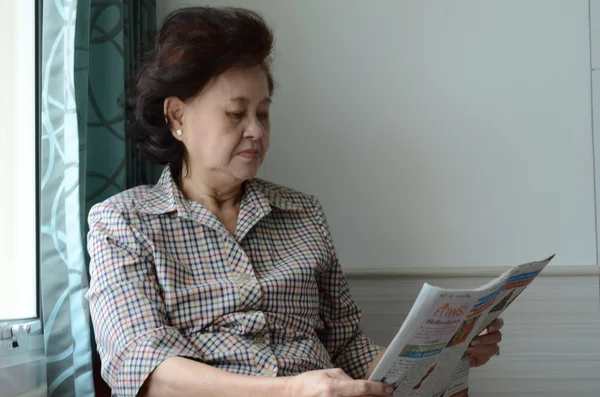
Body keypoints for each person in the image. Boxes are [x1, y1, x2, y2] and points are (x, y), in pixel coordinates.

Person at [86, 6, 503, 397]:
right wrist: (290, 391)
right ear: (177, 116)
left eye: (263, 114)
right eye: (236, 114)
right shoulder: (123, 223)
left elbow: (350, 351)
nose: (255, 130)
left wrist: (444, 354)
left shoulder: (302, 213)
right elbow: (143, 369)